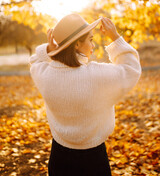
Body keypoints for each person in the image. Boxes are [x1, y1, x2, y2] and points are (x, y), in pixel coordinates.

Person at [29, 14, 142, 176]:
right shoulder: (97, 76)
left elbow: (36, 60)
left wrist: (50, 50)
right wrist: (115, 38)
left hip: (58, 156)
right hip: (93, 159)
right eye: (90, 39)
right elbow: (131, 69)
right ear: (76, 45)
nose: (93, 45)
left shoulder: (44, 74)